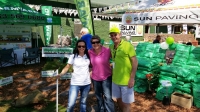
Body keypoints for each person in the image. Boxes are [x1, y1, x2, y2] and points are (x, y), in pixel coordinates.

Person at [109, 27, 138, 112]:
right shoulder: (111, 46)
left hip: (126, 80)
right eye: (112, 35)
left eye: (115, 35)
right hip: (115, 79)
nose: (114, 37)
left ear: (120, 34)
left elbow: (135, 62)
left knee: (126, 103)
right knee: (118, 99)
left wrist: (132, 78)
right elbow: (114, 59)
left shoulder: (127, 45)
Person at [57, 40, 91, 112]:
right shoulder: (73, 56)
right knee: (71, 104)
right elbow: (67, 67)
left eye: (83, 46)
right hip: (75, 83)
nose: (81, 48)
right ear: (77, 47)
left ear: (85, 47)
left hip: (86, 84)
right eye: (79, 46)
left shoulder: (88, 55)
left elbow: (91, 67)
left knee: (83, 103)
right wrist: (60, 74)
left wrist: (91, 75)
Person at [88, 35, 115, 112]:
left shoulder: (107, 50)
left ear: (100, 42)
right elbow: (89, 66)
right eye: (93, 42)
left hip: (106, 77)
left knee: (108, 97)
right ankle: (101, 110)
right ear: (91, 43)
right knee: (99, 97)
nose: (95, 44)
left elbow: (115, 59)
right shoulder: (90, 52)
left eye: (97, 42)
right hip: (95, 78)